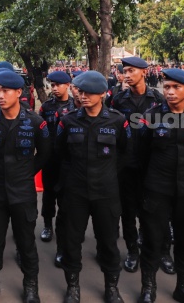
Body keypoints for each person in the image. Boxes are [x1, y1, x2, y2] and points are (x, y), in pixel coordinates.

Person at [137, 69, 184, 303]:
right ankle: (148, 288)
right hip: (157, 187)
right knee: (152, 239)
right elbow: (140, 153)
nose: (169, 92)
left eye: (176, 87)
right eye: (167, 87)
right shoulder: (151, 116)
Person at [0, 69, 51, 303]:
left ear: (19, 92)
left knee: (26, 242)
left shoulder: (35, 122)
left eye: (5, 91)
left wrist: (27, 172)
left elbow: (45, 154)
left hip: (23, 192)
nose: (0, 96)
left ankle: (31, 286)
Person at [56, 70, 128, 303]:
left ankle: (111, 287)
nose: (83, 95)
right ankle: (73, 287)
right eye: (80, 91)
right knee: (71, 241)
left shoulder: (117, 120)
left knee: (108, 241)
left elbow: (126, 154)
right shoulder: (68, 120)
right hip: (76, 193)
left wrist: (108, 175)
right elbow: (61, 154)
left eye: (89, 92)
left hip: (106, 193)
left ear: (103, 94)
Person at [109, 56, 165, 274]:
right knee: (128, 210)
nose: (127, 75)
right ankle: (132, 250)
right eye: (125, 71)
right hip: (126, 164)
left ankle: (156, 250)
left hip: (152, 164)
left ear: (144, 71)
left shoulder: (158, 99)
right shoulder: (118, 99)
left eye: (132, 71)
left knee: (151, 211)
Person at [38, 71, 74, 244]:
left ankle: (66, 225)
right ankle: (47, 225)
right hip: (50, 157)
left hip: (69, 158)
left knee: (67, 195)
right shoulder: (46, 107)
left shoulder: (76, 106)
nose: (55, 88)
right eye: (52, 85)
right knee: (49, 193)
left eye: (58, 85)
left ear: (68, 85)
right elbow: (40, 131)